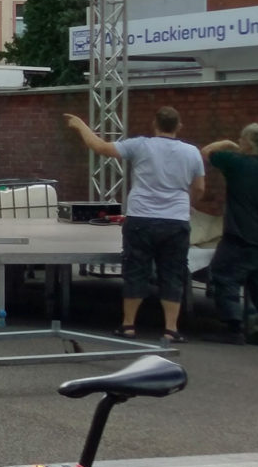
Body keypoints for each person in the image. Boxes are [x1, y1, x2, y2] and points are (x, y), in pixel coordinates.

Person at [64, 107, 204, 343]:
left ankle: (128, 325)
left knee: (136, 270)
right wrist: (187, 205)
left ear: (154, 124)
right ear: (179, 126)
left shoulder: (140, 145)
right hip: (176, 220)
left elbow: (100, 147)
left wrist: (81, 126)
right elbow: (200, 188)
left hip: (141, 218)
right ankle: (171, 329)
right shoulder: (192, 152)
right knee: (172, 273)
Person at [200, 124, 258, 345]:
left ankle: (233, 328)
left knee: (225, 278)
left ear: (249, 144)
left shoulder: (238, 163)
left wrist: (227, 143)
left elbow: (205, 153)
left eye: (242, 140)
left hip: (238, 237)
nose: (239, 143)